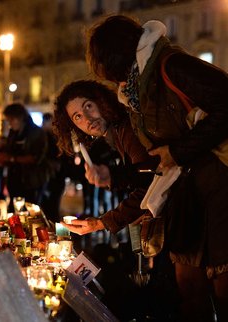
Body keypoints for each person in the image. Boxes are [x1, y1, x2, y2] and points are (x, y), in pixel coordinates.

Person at [86, 15, 228, 320]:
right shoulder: (137, 90)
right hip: (189, 197)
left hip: (220, 191)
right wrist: (114, 178)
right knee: (190, 293)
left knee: (224, 290)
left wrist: (178, 151)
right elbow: (154, 159)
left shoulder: (172, 66)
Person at [54, 80, 158, 235]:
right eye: (78, 117)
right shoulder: (114, 134)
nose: (88, 119)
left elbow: (151, 183)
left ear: (101, 101)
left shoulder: (126, 128)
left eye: (88, 106)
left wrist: (101, 223)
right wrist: (112, 178)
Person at [0, 103, 49, 205]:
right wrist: (3, 160)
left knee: (29, 213)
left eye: (11, 120)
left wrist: (11, 158)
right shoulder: (13, 133)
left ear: (19, 117)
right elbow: (9, 152)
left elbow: (36, 158)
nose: (9, 124)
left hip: (31, 183)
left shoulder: (36, 132)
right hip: (14, 182)